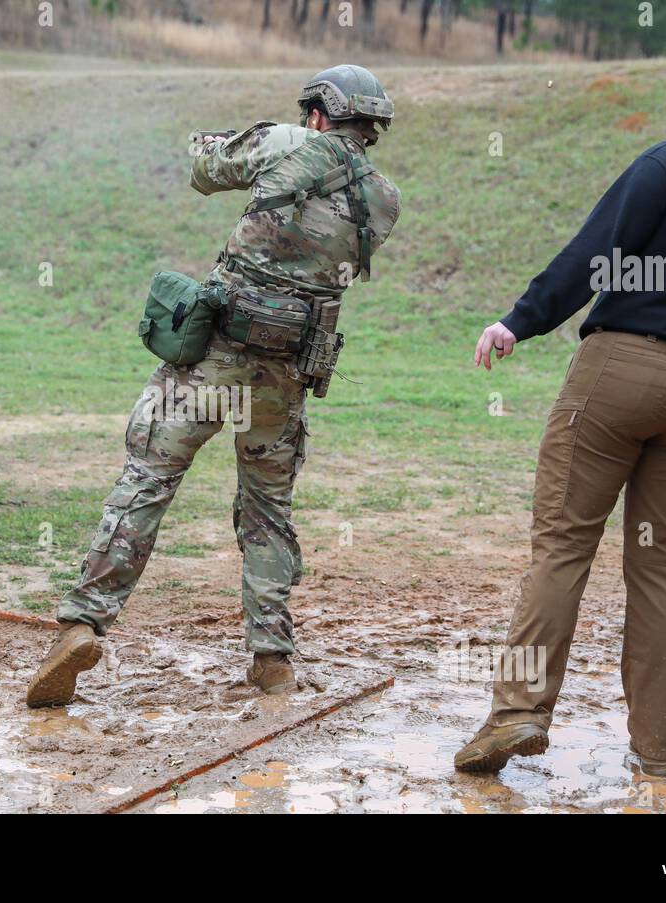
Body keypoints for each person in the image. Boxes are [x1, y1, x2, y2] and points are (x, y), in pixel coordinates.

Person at [457, 75, 666, 777]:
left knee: (562, 544)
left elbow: (597, 251)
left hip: (622, 371)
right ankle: (658, 751)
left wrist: (519, 320)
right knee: (661, 567)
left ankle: (519, 711)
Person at [26, 65, 402, 708]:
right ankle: (272, 658)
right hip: (288, 371)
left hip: (216, 357)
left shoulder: (288, 142)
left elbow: (206, 170)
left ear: (318, 112)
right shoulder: (384, 199)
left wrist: (225, 138)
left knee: (148, 479)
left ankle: (83, 623)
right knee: (267, 510)